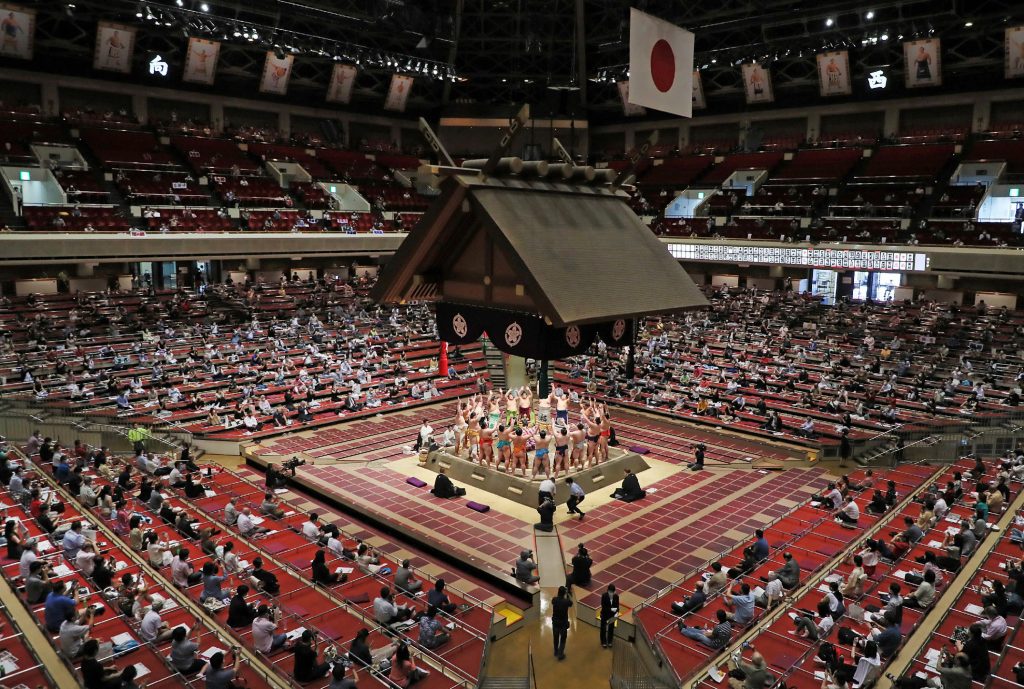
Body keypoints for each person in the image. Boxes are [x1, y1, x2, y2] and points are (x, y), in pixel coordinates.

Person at [551, 585, 573, 660]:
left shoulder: (554, 600)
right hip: (563, 623)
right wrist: (568, 594)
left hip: (555, 622)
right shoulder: (566, 601)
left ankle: (556, 651)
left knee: (555, 637)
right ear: (564, 593)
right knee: (563, 639)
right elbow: (571, 603)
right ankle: (560, 654)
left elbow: (553, 601)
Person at [600, 584, 619, 648]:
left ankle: (610, 641)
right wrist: (611, 609)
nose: (611, 593)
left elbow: (617, 607)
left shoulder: (616, 597)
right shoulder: (604, 596)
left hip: (612, 615)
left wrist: (616, 612)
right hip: (604, 615)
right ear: (607, 591)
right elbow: (604, 607)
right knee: (603, 628)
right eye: (610, 592)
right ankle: (603, 641)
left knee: (611, 628)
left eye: (612, 592)